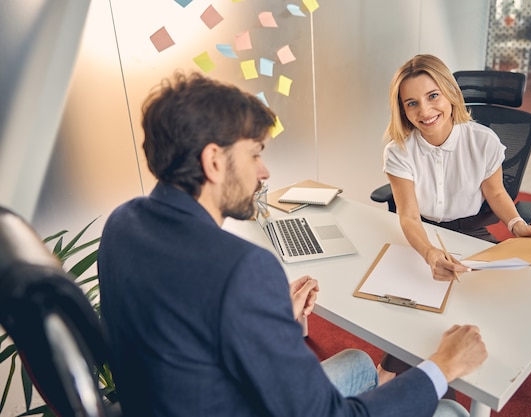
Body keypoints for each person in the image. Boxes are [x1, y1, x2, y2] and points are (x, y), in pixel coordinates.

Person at [97, 71, 488, 417]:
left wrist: (265, 315)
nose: (264, 172)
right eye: (254, 154)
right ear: (214, 161)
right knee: (451, 408)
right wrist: (443, 365)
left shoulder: (123, 223)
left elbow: (181, 327)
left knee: (360, 363)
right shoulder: (242, 268)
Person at [377, 54, 531, 383]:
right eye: (412, 103)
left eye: (433, 96)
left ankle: (464, 366)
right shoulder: (399, 150)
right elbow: (408, 216)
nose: (425, 111)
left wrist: (517, 225)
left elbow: (497, 194)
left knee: (491, 297)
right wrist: (429, 252)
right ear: (402, 109)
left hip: (473, 232)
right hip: (425, 234)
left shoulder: (483, 141)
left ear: (450, 94)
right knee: (412, 305)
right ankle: (391, 368)